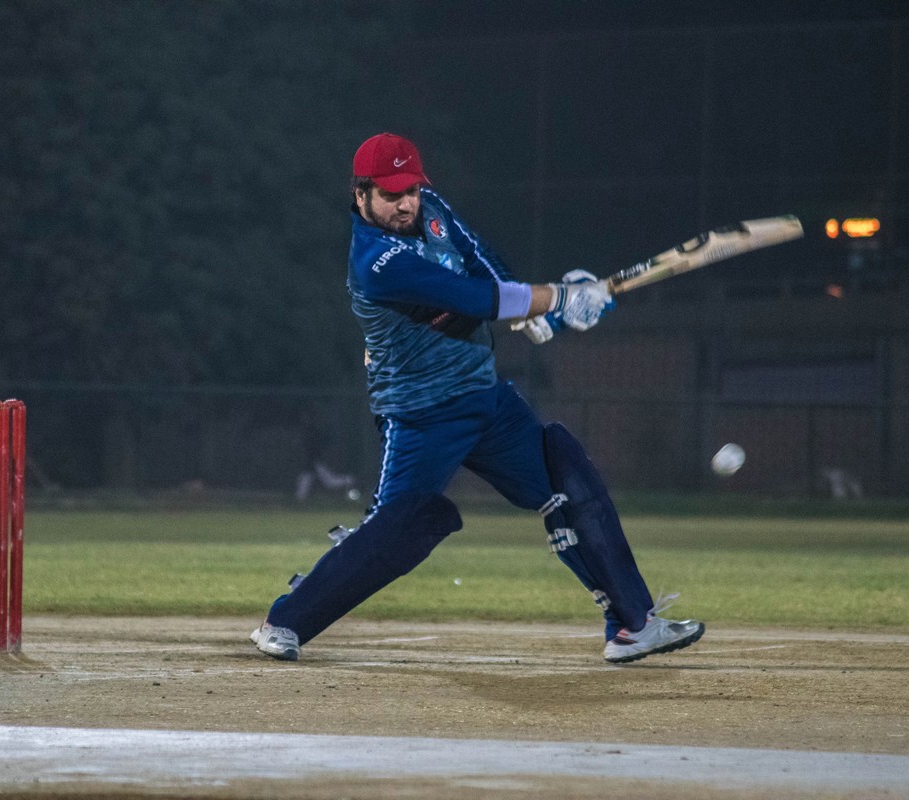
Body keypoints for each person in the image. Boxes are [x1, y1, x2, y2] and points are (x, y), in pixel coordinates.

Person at [251, 132, 703, 664]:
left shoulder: (430, 208)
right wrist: (558, 298)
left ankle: (632, 626)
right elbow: (472, 297)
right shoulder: (376, 261)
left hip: (486, 398)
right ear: (361, 194)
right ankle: (285, 620)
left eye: (411, 190)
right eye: (391, 194)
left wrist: (533, 313)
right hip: (421, 415)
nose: (406, 204)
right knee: (396, 531)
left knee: (568, 477)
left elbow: (482, 262)